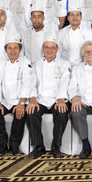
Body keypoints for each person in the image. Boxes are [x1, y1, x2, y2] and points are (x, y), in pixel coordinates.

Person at [26, 29, 71, 158]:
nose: (49, 50)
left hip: (58, 99)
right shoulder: (36, 65)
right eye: (47, 47)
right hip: (40, 99)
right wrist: (33, 99)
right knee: (31, 111)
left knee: (62, 113)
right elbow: (32, 83)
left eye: (52, 48)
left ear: (57, 49)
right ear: (43, 48)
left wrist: (61, 100)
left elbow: (64, 82)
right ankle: (38, 146)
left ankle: (56, 146)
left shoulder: (64, 64)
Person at [0, 22, 34, 156]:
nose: (13, 51)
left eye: (15, 48)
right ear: (6, 50)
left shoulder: (25, 62)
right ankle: (2, 145)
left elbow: (27, 82)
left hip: (18, 100)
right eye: (10, 48)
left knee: (20, 114)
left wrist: (21, 103)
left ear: (20, 49)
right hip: (3, 99)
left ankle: (15, 145)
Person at [58, 0, 92, 65]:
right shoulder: (61, 33)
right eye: (72, 15)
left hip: (81, 69)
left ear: (81, 17)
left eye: (77, 14)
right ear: (68, 18)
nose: (75, 17)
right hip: (64, 69)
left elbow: (91, 56)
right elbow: (57, 55)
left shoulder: (89, 33)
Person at [22, 0, 57, 64]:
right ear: (30, 18)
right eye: (34, 16)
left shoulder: (49, 33)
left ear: (43, 18)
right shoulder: (25, 33)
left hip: (44, 68)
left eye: (39, 16)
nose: (36, 19)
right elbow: (22, 54)